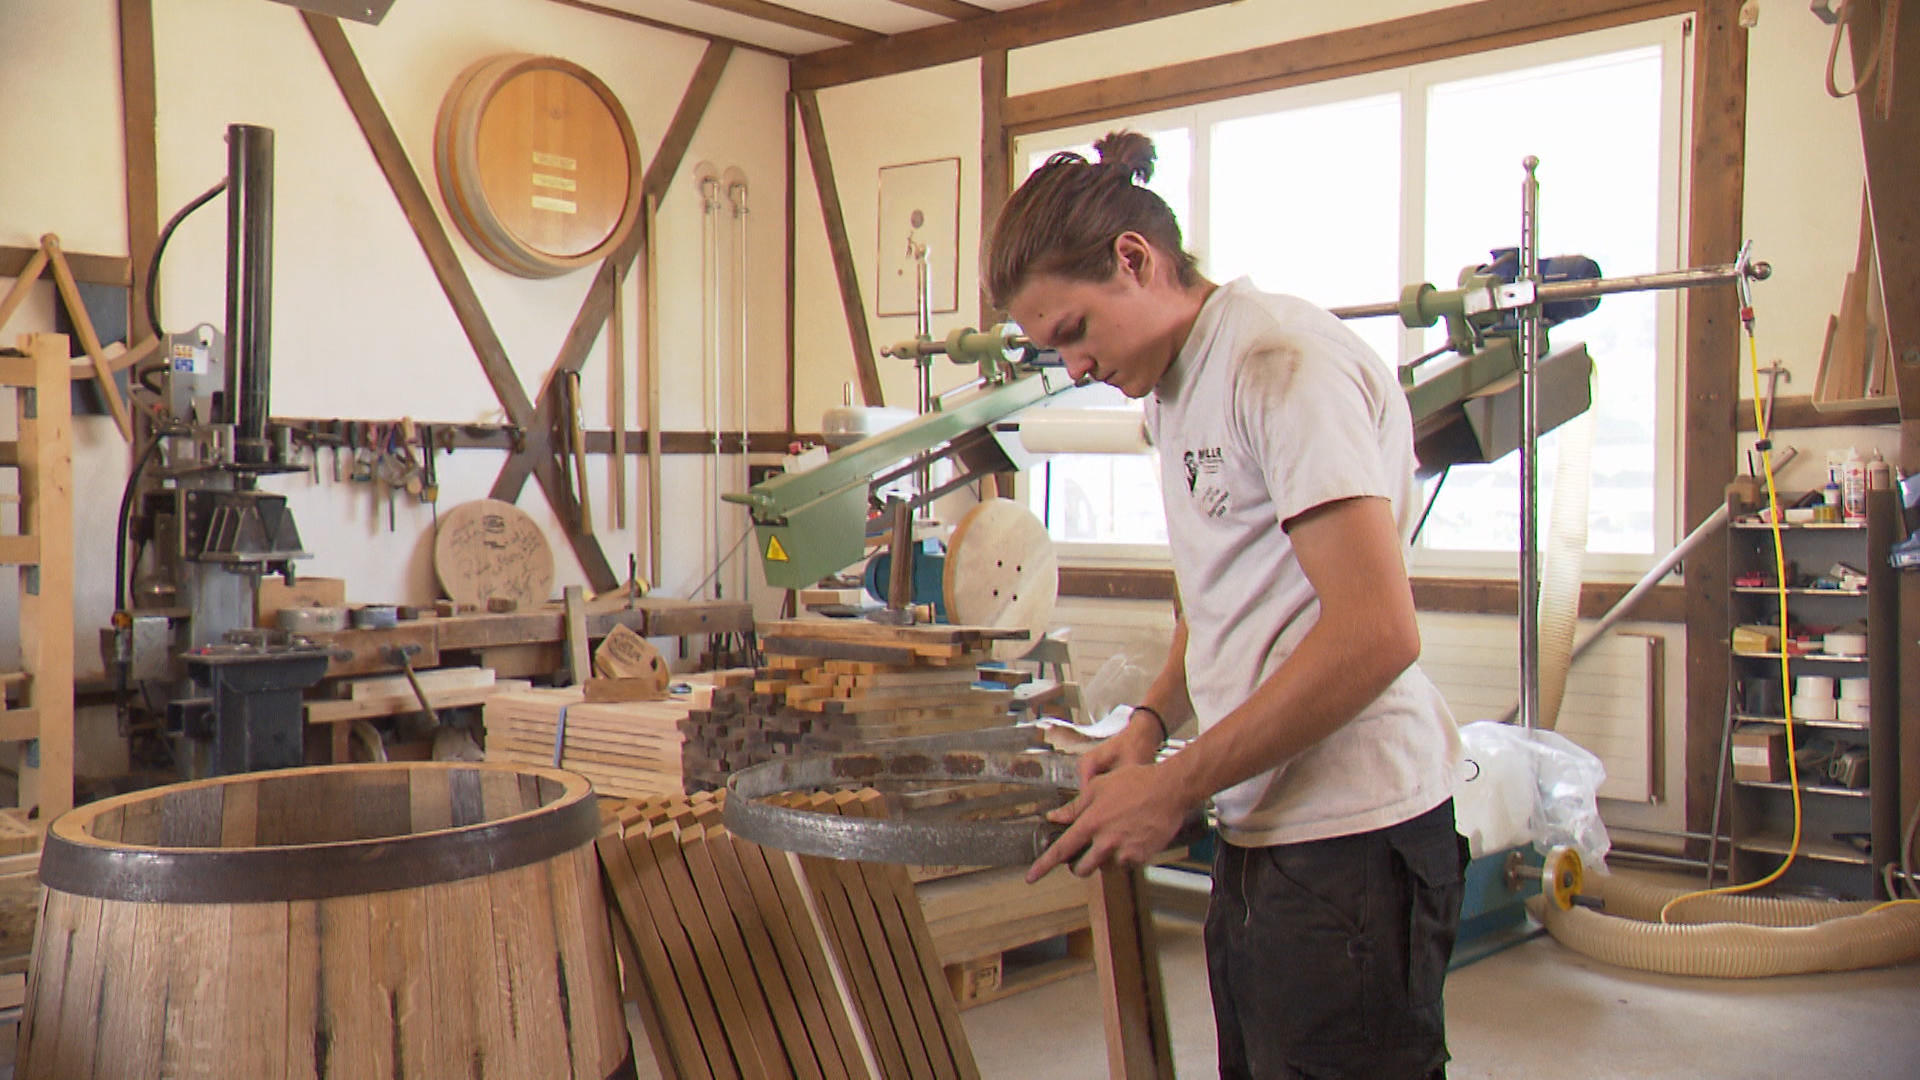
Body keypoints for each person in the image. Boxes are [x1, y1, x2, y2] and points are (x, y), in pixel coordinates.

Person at [991, 132, 1467, 1080]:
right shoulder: (1175, 391)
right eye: (1051, 350)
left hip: (1355, 840)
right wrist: (1152, 722)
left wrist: (1173, 786)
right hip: (1262, 823)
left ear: (1135, 259)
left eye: (1075, 331)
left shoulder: (1279, 363)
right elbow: (1216, 591)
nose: (1074, 366)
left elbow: (1378, 634)